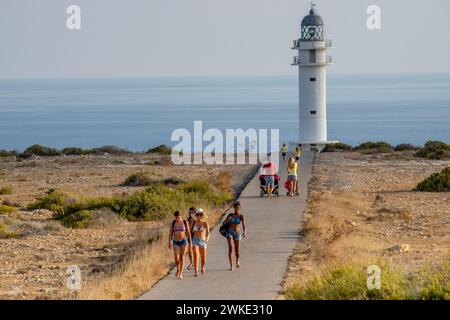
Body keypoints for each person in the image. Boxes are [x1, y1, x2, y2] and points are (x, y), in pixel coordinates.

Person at [224, 201, 246, 271]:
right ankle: (231, 266)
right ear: (234, 208)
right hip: (230, 232)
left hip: (237, 233)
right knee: (230, 248)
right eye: (236, 207)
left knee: (238, 252)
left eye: (238, 207)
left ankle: (237, 260)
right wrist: (227, 221)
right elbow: (224, 223)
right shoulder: (230, 215)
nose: (237, 208)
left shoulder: (241, 216)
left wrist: (244, 232)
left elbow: (244, 225)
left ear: (240, 208)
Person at [168, 211, 191, 279]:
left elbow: (189, 233)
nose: (177, 217)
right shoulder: (173, 223)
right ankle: (178, 269)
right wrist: (169, 242)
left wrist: (191, 243)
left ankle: (181, 273)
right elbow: (170, 233)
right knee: (176, 257)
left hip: (184, 240)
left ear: (181, 216)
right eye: (176, 216)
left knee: (182, 256)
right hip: (176, 241)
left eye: (178, 216)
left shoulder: (184, 222)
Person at [190, 208, 210, 277]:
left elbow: (208, 232)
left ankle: (202, 267)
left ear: (202, 215)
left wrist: (207, 238)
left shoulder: (205, 223)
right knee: (196, 256)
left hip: (202, 240)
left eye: (200, 214)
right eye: (197, 214)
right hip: (195, 240)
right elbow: (189, 231)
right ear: (196, 215)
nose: (199, 216)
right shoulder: (194, 222)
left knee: (203, 257)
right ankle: (196, 271)